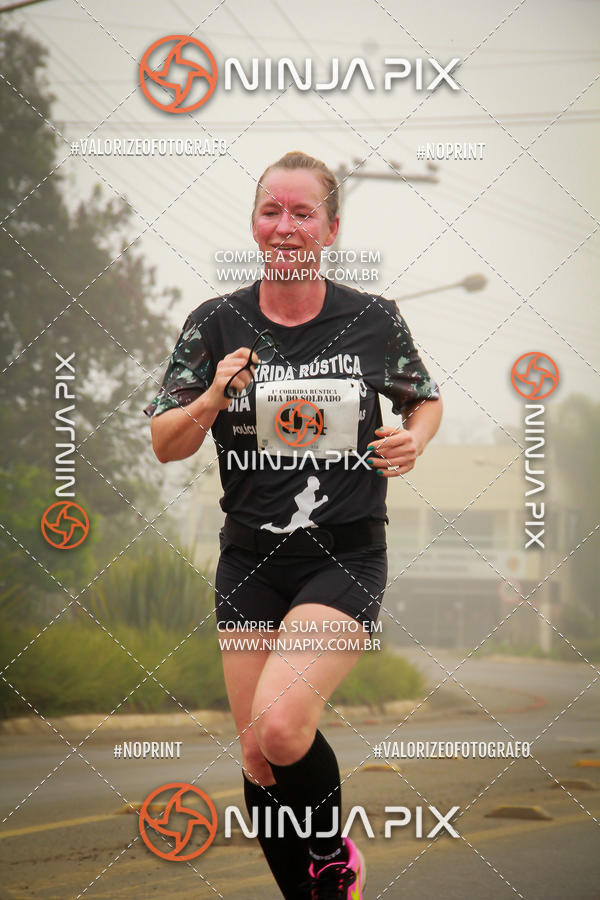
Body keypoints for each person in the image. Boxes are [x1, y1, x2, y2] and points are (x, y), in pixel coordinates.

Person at [145, 151, 442, 899]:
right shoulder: (214, 323)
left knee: (280, 728)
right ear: (254, 224)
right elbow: (165, 441)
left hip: (341, 559)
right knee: (257, 755)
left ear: (331, 227)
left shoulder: (372, 319)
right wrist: (213, 396)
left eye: (302, 212)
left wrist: (417, 437)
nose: (285, 226)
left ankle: (333, 858)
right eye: (271, 211)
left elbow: (423, 399)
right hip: (248, 563)